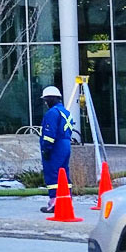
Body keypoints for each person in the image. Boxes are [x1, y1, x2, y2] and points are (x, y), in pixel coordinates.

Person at [38, 86, 74, 214]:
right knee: (64, 174)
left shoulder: (52, 113)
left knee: (53, 174)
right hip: (65, 144)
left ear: (51, 99)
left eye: (46, 100)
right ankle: (66, 200)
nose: (45, 103)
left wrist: (46, 149)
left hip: (56, 146)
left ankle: (54, 203)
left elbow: (49, 133)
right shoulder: (65, 112)